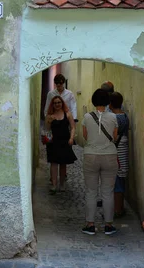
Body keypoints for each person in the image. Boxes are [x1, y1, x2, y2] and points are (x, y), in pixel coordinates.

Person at [81, 89, 119, 236]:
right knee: (108, 191)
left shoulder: (86, 117)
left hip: (91, 155)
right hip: (109, 155)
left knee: (91, 191)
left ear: (93, 100)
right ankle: (108, 225)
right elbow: (114, 137)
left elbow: (85, 136)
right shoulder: (113, 117)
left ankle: (90, 224)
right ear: (108, 102)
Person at [45, 96, 77, 194]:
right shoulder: (49, 116)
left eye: (59, 102)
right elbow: (47, 130)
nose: (57, 104)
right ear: (52, 105)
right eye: (55, 103)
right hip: (53, 142)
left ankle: (62, 184)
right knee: (54, 164)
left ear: (62, 103)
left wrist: (71, 138)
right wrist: (49, 124)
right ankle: (54, 185)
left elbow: (72, 127)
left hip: (64, 141)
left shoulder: (67, 114)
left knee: (63, 164)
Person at [109, 92, 130, 218]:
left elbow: (113, 136)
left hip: (117, 151)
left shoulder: (115, 118)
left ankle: (117, 210)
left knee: (117, 181)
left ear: (111, 104)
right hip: (122, 149)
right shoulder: (125, 116)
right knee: (120, 180)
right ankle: (120, 208)